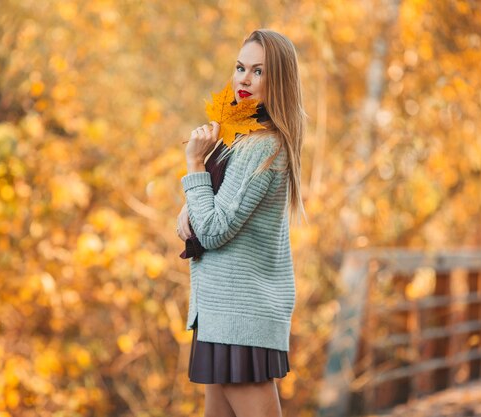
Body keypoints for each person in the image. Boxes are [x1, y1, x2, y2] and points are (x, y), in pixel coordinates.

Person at [176, 28, 307, 417]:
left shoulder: (264, 146)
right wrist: (190, 207)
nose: (244, 80)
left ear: (277, 81)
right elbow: (216, 210)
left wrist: (194, 164)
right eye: (240, 68)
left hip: (240, 316)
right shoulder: (240, 139)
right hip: (220, 313)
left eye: (258, 71)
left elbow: (215, 230)